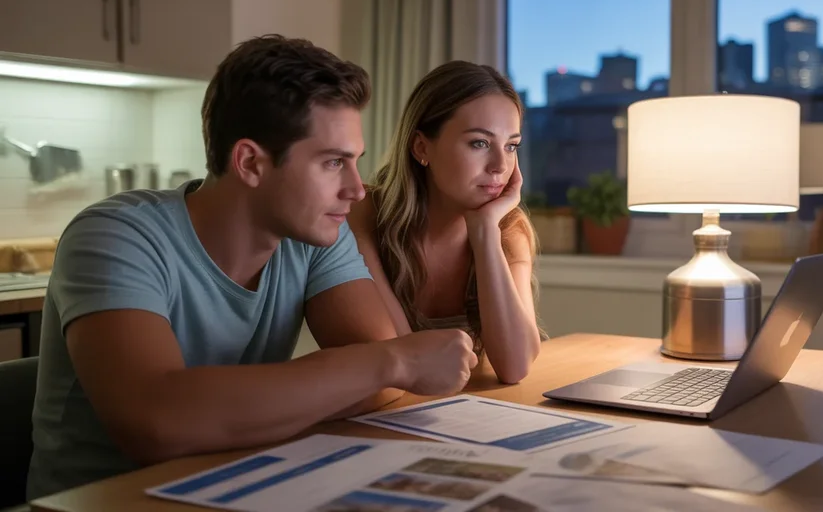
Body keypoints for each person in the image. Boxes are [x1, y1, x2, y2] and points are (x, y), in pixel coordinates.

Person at [26, 35, 478, 500]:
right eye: (333, 163)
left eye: (355, 162)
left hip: (232, 487)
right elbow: (158, 423)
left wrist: (227, 410)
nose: (357, 189)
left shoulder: (316, 236)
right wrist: (393, 361)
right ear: (250, 162)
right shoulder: (115, 236)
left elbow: (383, 388)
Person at [348, 61, 543, 385]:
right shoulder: (366, 214)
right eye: (479, 143)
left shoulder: (507, 230)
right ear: (422, 147)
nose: (499, 165)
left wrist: (484, 233)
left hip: (465, 415)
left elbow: (516, 366)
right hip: (383, 414)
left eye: (511, 146)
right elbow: (408, 361)